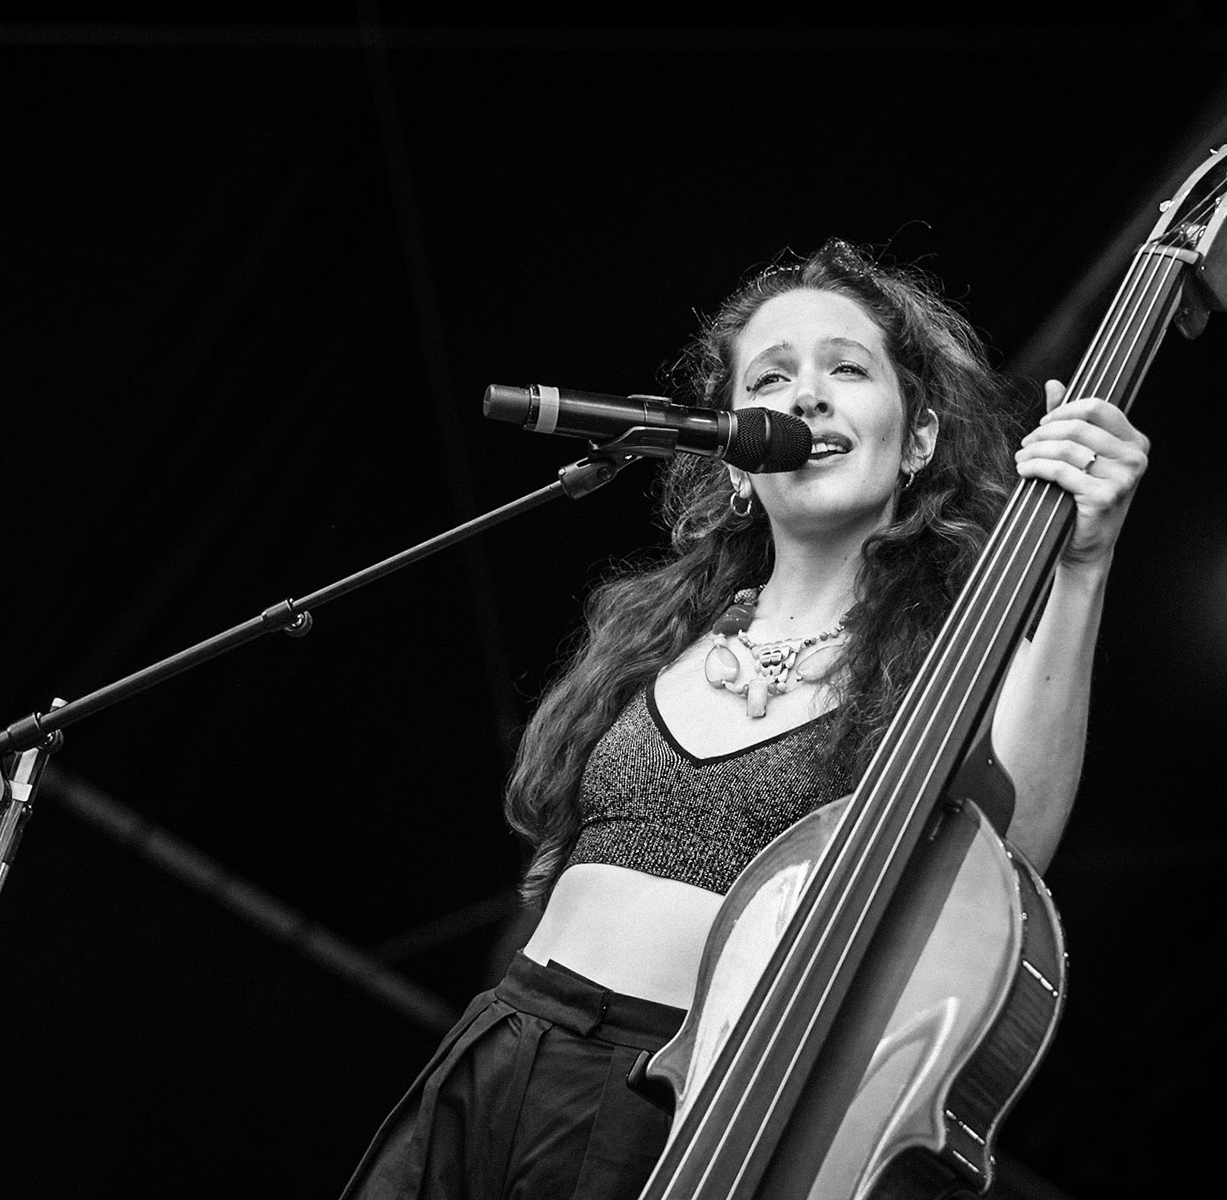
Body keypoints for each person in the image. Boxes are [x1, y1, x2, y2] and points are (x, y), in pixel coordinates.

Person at [342, 238, 1150, 1199]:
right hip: (498, 1045)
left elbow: (1010, 847)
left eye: (847, 369)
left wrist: (1080, 569)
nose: (805, 397)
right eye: (772, 377)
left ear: (919, 440)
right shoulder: (654, 631)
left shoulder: (944, 667)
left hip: (668, 1109)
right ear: (732, 451)